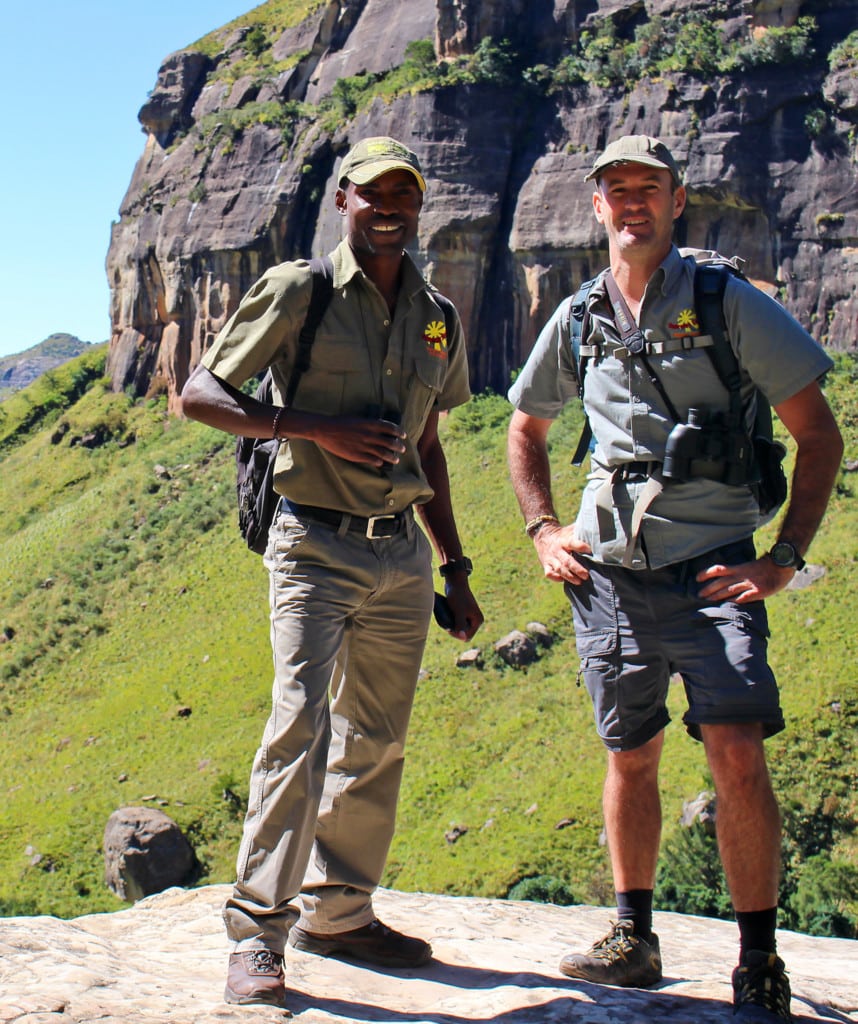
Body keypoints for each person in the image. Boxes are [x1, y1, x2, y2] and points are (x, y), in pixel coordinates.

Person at [506, 134, 842, 1022]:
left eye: (647, 188)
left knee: (735, 752)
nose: (631, 204)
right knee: (631, 754)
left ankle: (759, 958)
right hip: (611, 573)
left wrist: (785, 559)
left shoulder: (727, 301)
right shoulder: (579, 315)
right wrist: (544, 530)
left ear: (677, 199)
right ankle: (634, 935)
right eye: (615, 190)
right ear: (595, 206)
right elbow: (524, 429)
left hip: (716, 570)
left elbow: (819, 432)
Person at [182, 135, 483, 1009]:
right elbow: (199, 396)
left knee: (377, 739)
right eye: (374, 192)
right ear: (344, 200)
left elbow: (429, 440)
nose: (391, 207)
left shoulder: (438, 314)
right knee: (298, 729)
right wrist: (315, 427)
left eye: (406, 194)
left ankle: (341, 913)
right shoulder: (298, 289)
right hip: (312, 543)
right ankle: (257, 934)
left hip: (399, 552)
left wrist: (455, 564)